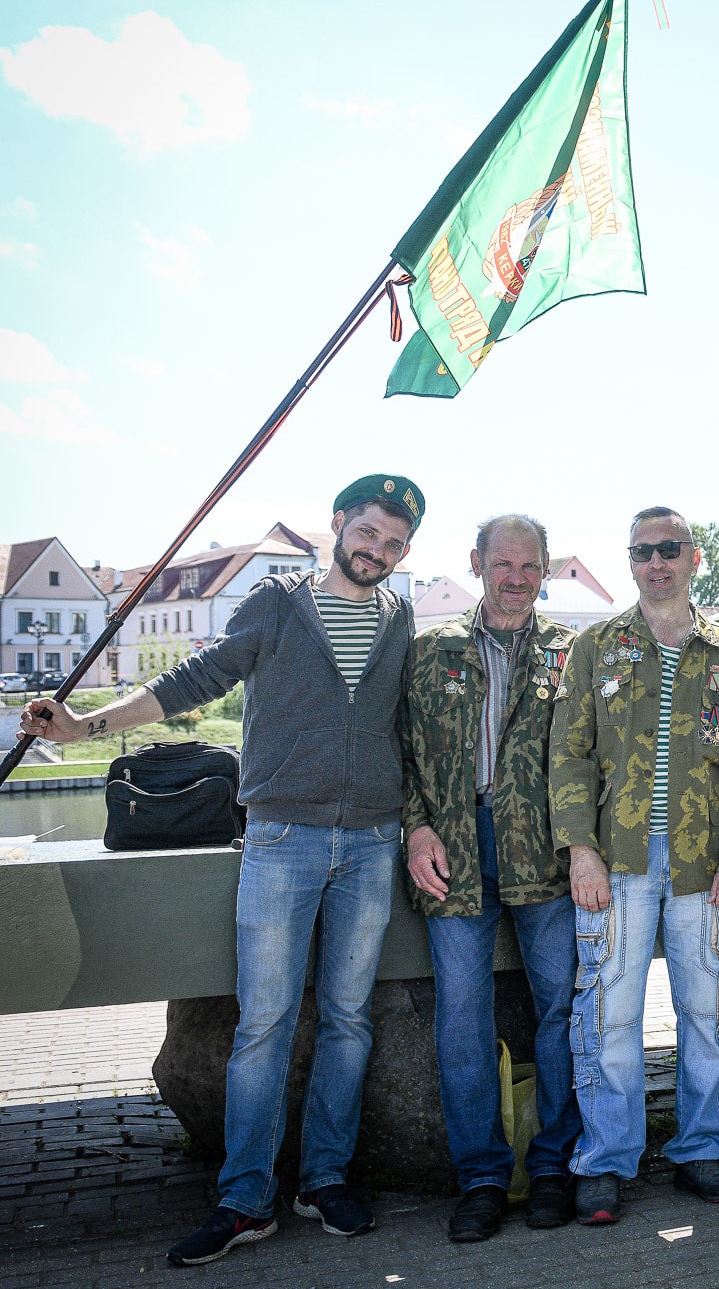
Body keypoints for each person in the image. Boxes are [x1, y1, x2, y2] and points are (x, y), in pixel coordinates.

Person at [22, 474, 424, 1265]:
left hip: (372, 843)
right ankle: (245, 1200)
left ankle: (324, 1180)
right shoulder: (277, 602)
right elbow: (192, 681)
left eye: (395, 543)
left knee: (348, 1022)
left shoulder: (400, 615)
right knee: (264, 1026)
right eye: (369, 532)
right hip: (282, 842)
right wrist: (85, 725)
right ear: (338, 523)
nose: (378, 550)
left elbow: (410, 724)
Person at [549, 507, 719, 1225]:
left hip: (704, 864)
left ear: (693, 558)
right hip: (614, 861)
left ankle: (703, 1148)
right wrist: (579, 849)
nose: (656, 562)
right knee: (606, 1011)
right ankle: (606, 1158)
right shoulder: (595, 648)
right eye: (642, 551)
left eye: (668, 548)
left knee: (707, 1012)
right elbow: (569, 755)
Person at [404, 514, 581, 1243]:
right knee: (463, 1019)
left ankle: (553, 1167)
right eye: (502, 563)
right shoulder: (428, 649)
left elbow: (593, 759)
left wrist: (585, 847)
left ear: (547, 571)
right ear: (477, 564)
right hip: (451, 847)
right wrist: (415, 827)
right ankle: (479, 1176)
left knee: (563, 1010)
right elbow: (400, 754)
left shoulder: (573, 653)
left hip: (544, 848)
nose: (515, 577)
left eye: (529, 565)